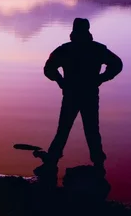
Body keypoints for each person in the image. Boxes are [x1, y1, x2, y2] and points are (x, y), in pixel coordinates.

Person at [35, 18, 123, 177]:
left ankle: (53, 160)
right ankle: (98, 164)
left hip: (72, 94)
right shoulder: (97, 49)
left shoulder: (66, 49)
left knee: (64, 128)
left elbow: (48, 68)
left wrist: (60, 80)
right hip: (87, 94)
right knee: (91, 129)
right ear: (88, 30)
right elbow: (117, 64)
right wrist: (101, 78)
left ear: (74, 31)